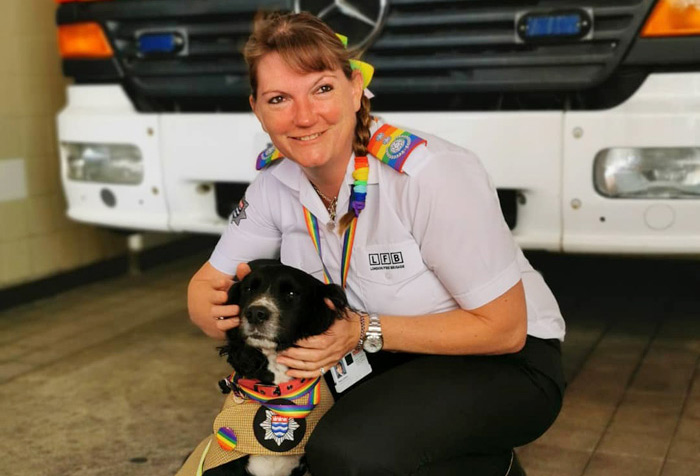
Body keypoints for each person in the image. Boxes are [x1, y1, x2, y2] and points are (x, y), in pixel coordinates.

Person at [187, 11, 566, 476]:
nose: (304, 116)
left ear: (354, 88)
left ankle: (489, 466)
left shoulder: (430, 174)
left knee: (347, 453)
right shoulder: (272, 185)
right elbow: (208, 283)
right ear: (257, 109)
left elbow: (504, 329)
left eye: (322, 89)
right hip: (376, 357)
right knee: (251, 449)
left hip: (507, 361)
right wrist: (209, 306)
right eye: (279, 98)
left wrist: (360, 330)